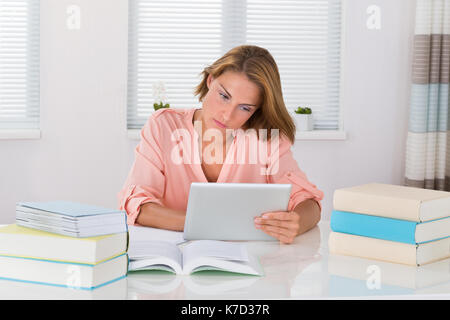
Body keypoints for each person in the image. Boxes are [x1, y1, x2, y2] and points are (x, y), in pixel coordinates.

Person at [117, 45, 324, 244]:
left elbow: (308, 203)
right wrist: (207, 224)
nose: (227, 115)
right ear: (210, 80)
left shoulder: (266, 139)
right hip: (173, 258)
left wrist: (296, 223)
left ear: (257, 110)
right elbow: (136, 204)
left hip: (249, 262)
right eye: (224, 96)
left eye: (244, 107)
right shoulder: (163, 126)